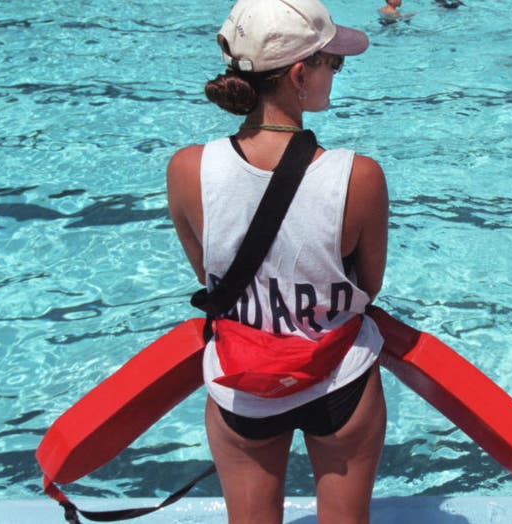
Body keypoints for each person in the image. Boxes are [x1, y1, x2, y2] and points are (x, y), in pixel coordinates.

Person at [166, 0, 389, 522]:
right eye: (332, 62)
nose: (336, 72)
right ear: (298, 75)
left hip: (243, 381)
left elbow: (209, 278)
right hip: (338, 376)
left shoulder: (187, 169)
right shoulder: (359, 177)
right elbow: (368, 286)